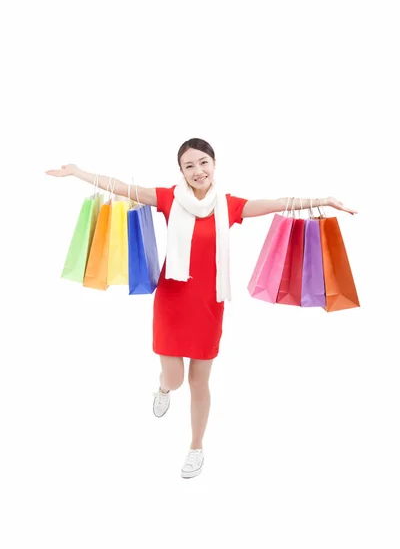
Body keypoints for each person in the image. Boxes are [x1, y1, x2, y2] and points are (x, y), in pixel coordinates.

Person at [45, 137, 357, 479]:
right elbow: (119, 186)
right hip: (172, 302)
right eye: (189, 165)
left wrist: (322, 200)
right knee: (176, 380)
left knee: (199, 382)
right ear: (181, 171)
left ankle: (196, 447)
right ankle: (163, 387)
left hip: (210, 303)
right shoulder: (167, 199)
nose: (198, 170)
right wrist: (78, 173)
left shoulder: (229, 205)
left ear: (214, 164)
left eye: (203, 162)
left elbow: (277, 203)